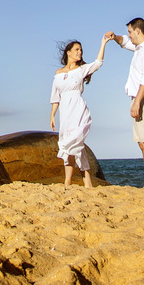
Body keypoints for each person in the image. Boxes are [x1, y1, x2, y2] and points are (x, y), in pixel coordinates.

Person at [104, 17, 144, 188]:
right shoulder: (139, 48)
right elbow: (124, 43)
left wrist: (137, 102)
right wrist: (114, 37)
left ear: (138, 30)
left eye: (130, 32)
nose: (129, 35)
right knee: (143, 143)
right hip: (139, 98)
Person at [49, 35, 111, 187]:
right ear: (68, 52)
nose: (80, 52)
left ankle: (68, 181)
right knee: (71, 145)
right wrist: (52, 115)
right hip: (65, 112)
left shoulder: (81, 70)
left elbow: (98, 63)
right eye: (76, 50)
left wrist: (103, 43)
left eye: (81, 50)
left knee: (74, 142)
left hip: (78, 109)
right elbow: (55, 96)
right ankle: (85, 180)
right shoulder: (58, 73)